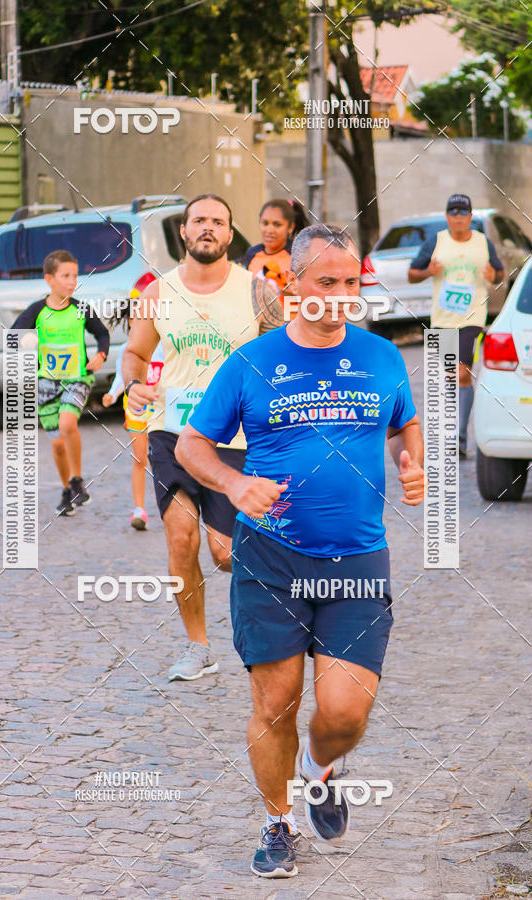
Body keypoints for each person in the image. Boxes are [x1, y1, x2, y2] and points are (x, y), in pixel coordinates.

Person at [175, 224, 425, 877]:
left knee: (343, 712)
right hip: (272, 558)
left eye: (351, 284)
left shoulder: (382, 357)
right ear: (294, 284)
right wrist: (233, 483)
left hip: (358, 559)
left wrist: (413, 460)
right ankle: (279, 823)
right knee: (274, 702)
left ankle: (320, 767)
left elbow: (403, 421)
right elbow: (190, 447)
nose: (341, 296)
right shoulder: (251, 363)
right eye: (327, 282)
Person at [122, 193, 284, 681]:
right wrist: (135, 383)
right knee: (180, 537)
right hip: (172, 432)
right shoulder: (156, 293)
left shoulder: (259, 293)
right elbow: (134, 353)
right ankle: (198, 646)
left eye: (218, 221)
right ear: (185, 233)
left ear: (230, 235)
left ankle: (283, 586)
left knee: (223, 551)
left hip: (235, 437)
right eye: (199, 220)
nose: (208, 227)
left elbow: (284, 356)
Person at [12, 249, 109, 516]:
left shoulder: (80, 309)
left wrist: (101, 355)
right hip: (47, 384)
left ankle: (77, 480)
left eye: (74, 276)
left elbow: (101, 333)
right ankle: (68, 489)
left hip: (77, 379)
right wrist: (26, 341)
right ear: (49, 279)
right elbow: (14, 335)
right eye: (65, 276)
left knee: (68, 423)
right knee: (56, 444)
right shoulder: (37, 311)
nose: (71, 281)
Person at [408, 193, 504, 457]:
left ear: (470, 217)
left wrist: (492, 275)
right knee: (450, 376)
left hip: (472, 318)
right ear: (447, 216)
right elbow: (412, 273)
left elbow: (499, 273)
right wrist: (429, 271)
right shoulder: (436, 242)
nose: (459, 218)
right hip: (442, 319)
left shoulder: (483, 243)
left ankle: (459, 437)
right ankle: (451, 430)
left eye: (463, 213)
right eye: (454, 213)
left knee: (462, 372)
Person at [103, 295, 164, 529]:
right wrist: (112, 394)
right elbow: (122, 376)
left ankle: (173, 505)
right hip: (137, 409)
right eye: (133, 318)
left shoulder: (164, 345)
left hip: (163, 409)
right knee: (140, 458)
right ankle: (139, 510)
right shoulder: (126, 350)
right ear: (128, 322)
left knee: (167, 458)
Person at [243, 199, 297, 295]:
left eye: (277, 224)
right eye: (265, 223)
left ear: (290, 227)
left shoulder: (297, 257)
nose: (269, 230)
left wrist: (295, 295)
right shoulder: (251, 254)